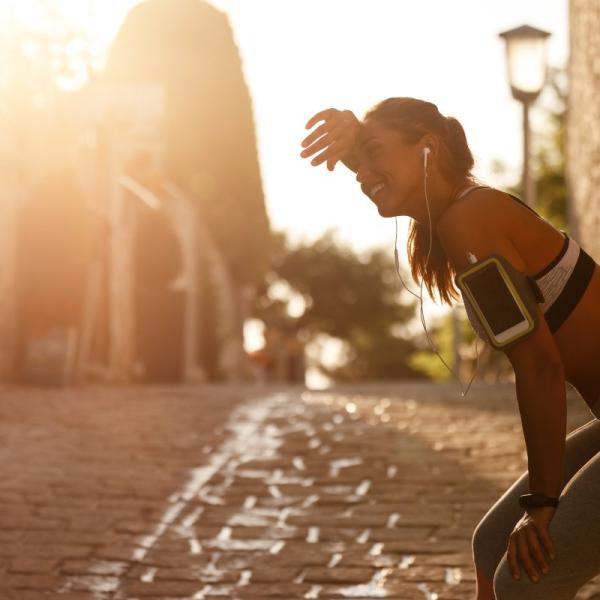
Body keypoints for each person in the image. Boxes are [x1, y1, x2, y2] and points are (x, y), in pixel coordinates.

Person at [299, 97, 600, 600]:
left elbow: (540, 369)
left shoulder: (470, 220)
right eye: (360, 162)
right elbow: (392, 169)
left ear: (428, 149)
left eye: (375, 154)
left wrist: (542, 505)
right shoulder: (460, 214)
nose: (362, 174)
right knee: (491, 546)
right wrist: (360, 148)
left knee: (525, 579)